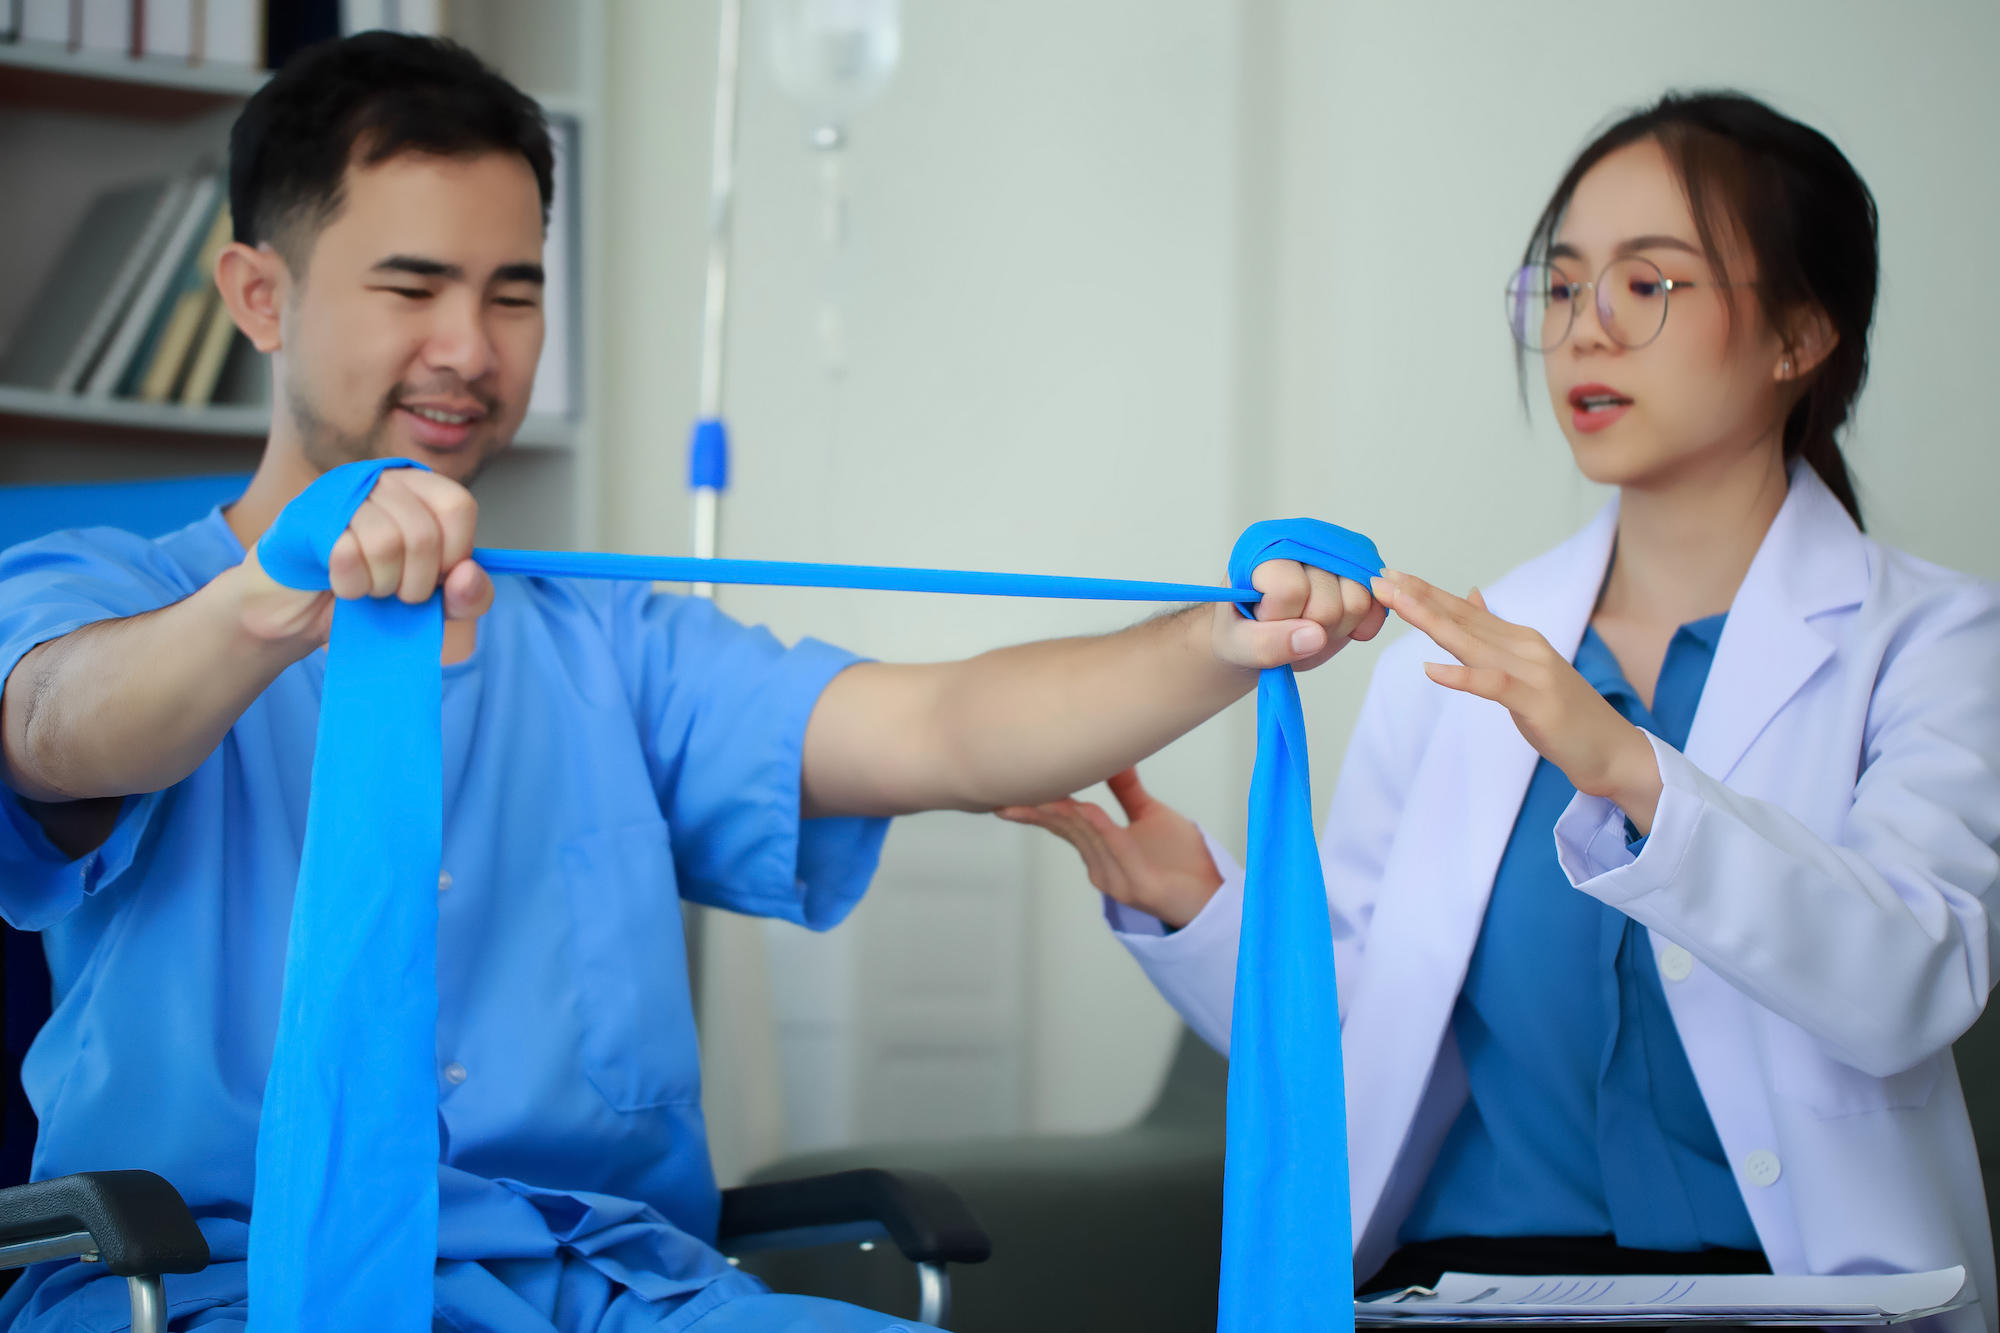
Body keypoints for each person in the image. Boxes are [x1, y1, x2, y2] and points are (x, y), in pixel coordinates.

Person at [0, 32, 1383, 1333]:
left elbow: (944, 728)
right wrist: (269, 604)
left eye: (516, 291)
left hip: (614, 1288)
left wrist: (1220, 640)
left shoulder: (615, 645)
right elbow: (65, 723)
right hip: (224, 1287)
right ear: (259, 297)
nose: (472, 350)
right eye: (411, 288)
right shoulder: (110, 591)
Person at [1007, 90, 2000, 1330]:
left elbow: (1912, 976)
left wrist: (1628, 768)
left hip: (1805, 1297)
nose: (1585, 330)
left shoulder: (1932, 636)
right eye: (1563, 286)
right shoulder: (1470, 644)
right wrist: (1197, 906)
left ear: (1798, 333)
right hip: (1456, 1289)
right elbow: (1367, 1025)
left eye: (1647, 285)